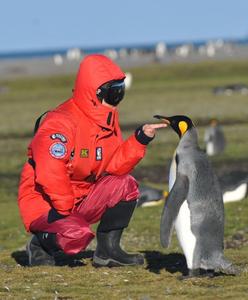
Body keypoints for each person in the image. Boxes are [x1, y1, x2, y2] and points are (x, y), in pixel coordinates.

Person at [18, 54, 166, 267]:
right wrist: (65, 212)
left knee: (126, 184)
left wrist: (139, 140)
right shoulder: (60, 123)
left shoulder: (104, 120)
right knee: (75, 235)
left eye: (120, 92)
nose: (117, 99)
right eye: (113, 93)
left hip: (80, 200)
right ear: (95, 93)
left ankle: (108, 251)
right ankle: (40, 244)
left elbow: (113, 166)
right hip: (47, 205)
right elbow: (50, 172)